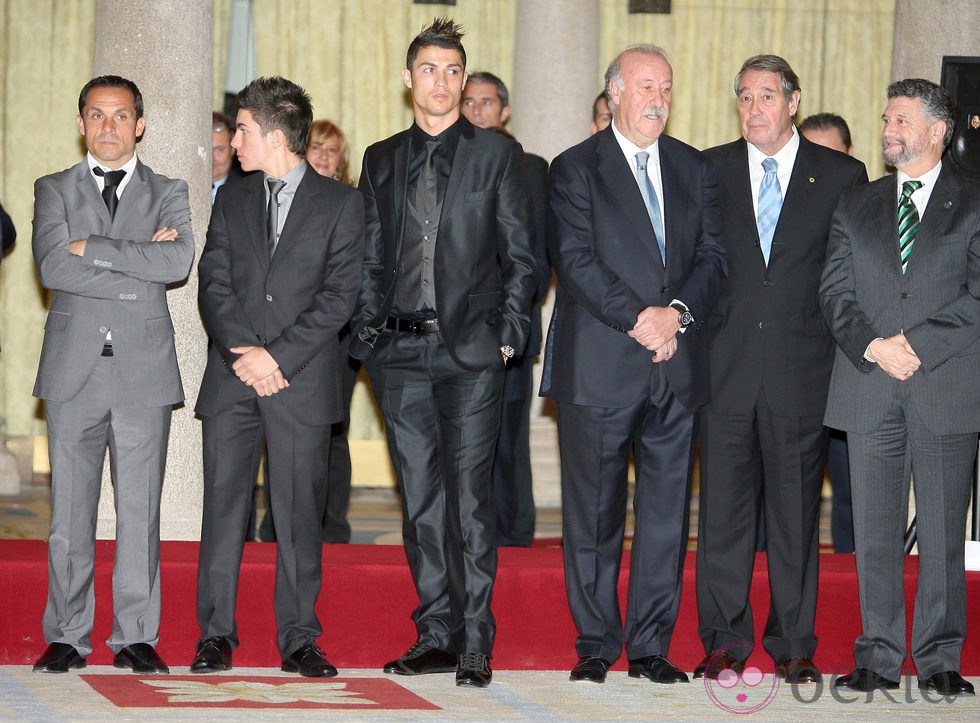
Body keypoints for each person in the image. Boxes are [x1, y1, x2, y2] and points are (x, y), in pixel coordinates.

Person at [350, 18, 535, 688]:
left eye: (453, 71)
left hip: (472, 357)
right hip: (397, 354)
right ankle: (434, 631)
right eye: (429, 69)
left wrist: (509, 333)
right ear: (409, 78)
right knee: (421, 503)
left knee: (470, 504)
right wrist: (365, 337)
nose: (442, 82)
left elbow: (521, 257)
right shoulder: (379, 157)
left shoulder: (497, 156)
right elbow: (371, 257)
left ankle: (476, 640)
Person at [542, 44, 726, 685]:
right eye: (646, 85)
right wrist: (642, 320)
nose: (658, 98)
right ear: (614, 93)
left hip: (676, 364)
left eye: (667, 87)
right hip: (601, 365)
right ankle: (596, 642)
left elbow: (713, 259)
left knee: (667, 515)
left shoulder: (694, 168)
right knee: (592, 515)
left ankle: (650, 646)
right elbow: (577, 260)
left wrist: (675, 314)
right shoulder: (574, 168)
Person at [694, 56, 867, 686]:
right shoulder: (708, 169)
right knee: (723, 515)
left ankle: (794, 642)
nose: (754, 108)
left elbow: (848, 277)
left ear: (793, 102)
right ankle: (724, 640)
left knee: (796, 516)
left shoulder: (842, 175)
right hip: (724, 369)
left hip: (803, 372)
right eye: (744, 96)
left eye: (767, 96)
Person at [194, 76, 365, 678]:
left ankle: (299, 638)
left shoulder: (342, 203)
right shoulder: (231, 198)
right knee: (224, 510)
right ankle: (214, 634)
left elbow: (341, 296)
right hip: (233, 375)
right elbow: (212, 282)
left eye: (241, 129)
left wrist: (278, 357)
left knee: (298, 515)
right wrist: (248, 351)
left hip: (300, 380)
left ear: (272, 134)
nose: (232, 140)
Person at [30, 75, 194, 675]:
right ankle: (67, 634)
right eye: (96, 116)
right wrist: (135, 262)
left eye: (120, 116)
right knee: (68, 514)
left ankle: (135, 634)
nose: (108, 127)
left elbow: (176, 261)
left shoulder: (170, 189)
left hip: (143, 372)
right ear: (81, 123)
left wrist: (89, 247)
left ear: (140, 124)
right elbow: (52, 266)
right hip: (73, 370)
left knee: (140, 513)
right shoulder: (52, 188)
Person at [822, 78, 980, 698]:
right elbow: (834, 292)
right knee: (877, 530)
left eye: (903, 118)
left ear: (938, 132)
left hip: (944, 383)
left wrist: (918, 344)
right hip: (869, 382)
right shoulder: (855, 202)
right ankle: (878, 654)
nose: (890, 128)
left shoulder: (973, 203)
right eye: (886, 116)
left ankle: (941, 659)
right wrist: (874, 345)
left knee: (942, 528)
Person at [461, 71, 549, 547]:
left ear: (505, 110)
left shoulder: (530, 166)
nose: (477, 110)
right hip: (453, 335)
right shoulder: (449, 163)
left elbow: (537, 256)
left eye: (486, 103)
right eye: (469, 102)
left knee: (508, 441)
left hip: (508, 330)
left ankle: (515, 536)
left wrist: (504, 315)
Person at [799, 111, 857, 554]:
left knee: (853, 493)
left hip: (851, 371)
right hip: (795, 373)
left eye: (827, 154)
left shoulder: (869, 208)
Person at [211, 111, 241, 204]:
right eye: (206, 150)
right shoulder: (179, 189)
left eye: (219, 149)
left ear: (233, 150)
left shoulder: (247, 191)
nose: (212, 159)